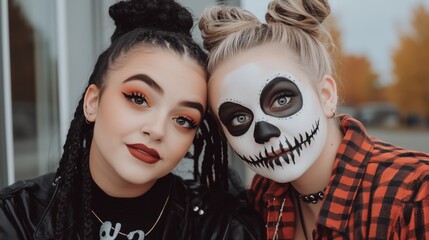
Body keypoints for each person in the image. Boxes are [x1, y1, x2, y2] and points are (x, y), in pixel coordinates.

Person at [0, 0, 265, 239]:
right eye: (138, 98)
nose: (157, 130)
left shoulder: (222, 228)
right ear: (93, 103)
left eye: (183, 119)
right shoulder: (17, 217)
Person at [198, 0, 429, 239]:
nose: (264, 132)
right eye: (239, 118)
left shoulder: (416, 194)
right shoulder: (262, 196)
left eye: (281, 100)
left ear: (326, 96)